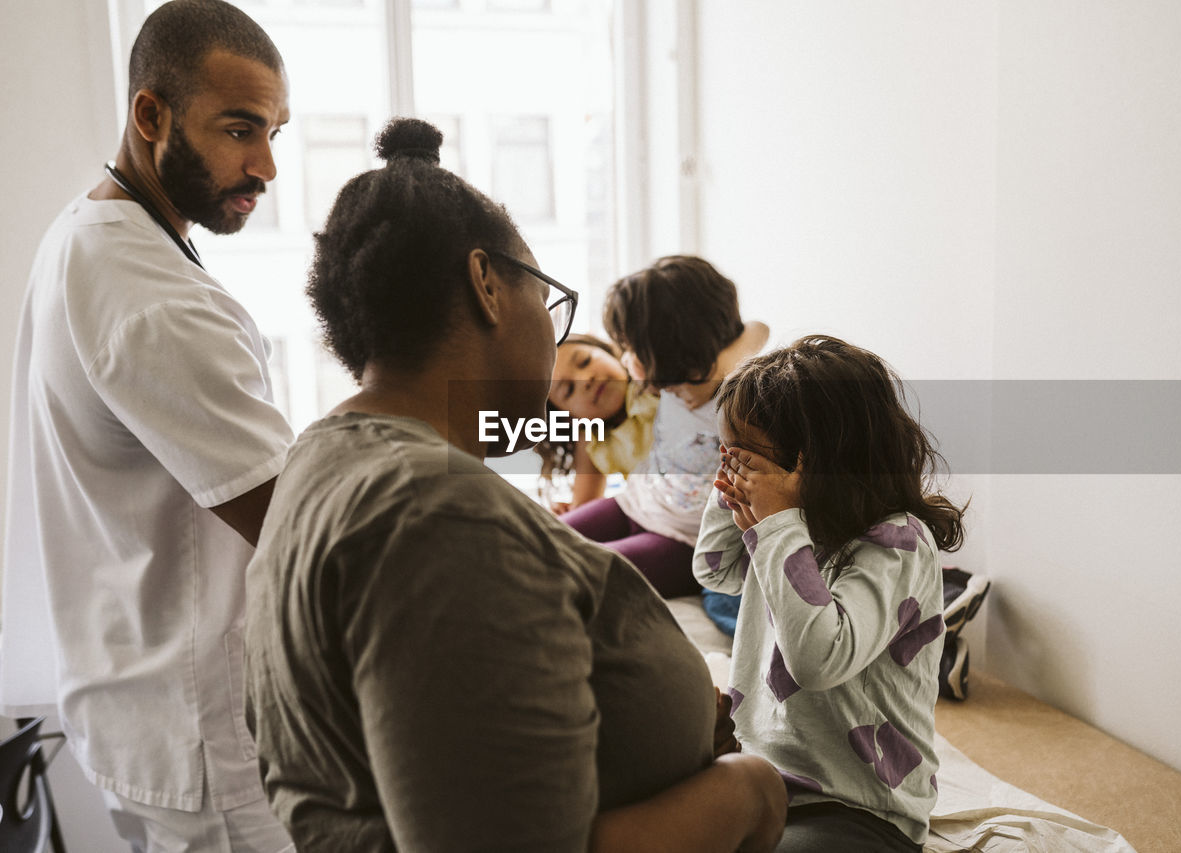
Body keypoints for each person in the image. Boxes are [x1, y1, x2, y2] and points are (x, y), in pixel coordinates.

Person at [242, 117, 787, 852]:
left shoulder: (318, 459)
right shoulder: (437, 517)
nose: (558, 346)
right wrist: (748, 792)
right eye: (549, 301)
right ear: (488, 286)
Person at [0, 1, 294, 849]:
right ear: (150, 113)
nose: (266, 163)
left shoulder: (90, 233)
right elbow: (290, 521)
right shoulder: (146, 289)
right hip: (202, 736)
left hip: (140, 705)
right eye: (241, 128)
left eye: (276, 130)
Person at [694, 335, 968, 852]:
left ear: (815, 459)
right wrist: (735, 492)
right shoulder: (788, 526)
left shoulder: (898, 541)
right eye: (726, 453)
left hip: (858, 806)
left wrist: (776, 523)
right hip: (759, 774)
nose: (732, 468)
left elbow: (817, 661)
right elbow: (715, 569)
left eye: (745, 456)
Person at [558, 256, 768, 601]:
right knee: (538, 539)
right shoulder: (668, 388)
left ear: (666, 349)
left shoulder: (740, 401)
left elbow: (758, 332)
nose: (623, 358)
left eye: (629, 348)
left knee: (584, 574)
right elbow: (757, 328)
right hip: (633, 503)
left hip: (682, 540)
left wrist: (714, 376)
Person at [535, 333, 659, 513]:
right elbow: (584, 505)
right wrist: (568, 513)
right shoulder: (594, 441)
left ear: (607, 350)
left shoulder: (651, 383)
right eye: (569, 390)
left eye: (585, 361)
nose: (586, 380)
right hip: (665, 517)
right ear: (569, 418)